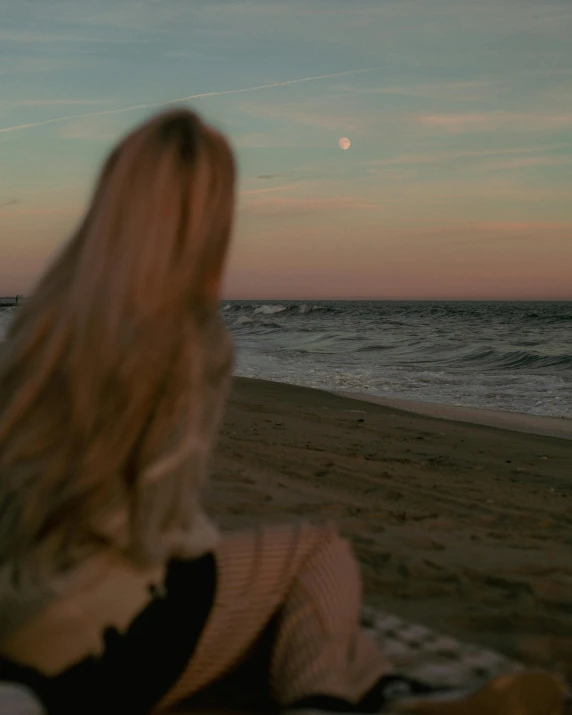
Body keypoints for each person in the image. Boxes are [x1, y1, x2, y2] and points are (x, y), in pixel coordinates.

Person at [0, 109, 566, 715]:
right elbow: (159, 528)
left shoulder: (36, 324)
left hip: (17, 617)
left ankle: (384, 693)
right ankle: (332, 699)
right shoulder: (186, 341)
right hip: (110, 647)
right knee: (312, 551)